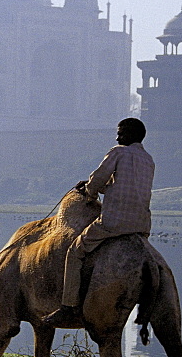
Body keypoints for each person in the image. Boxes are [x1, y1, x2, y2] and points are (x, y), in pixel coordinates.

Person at [43, 117, 154, 328]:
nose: (117, 137)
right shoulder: (148, 159)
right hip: (142, 225)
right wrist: (99, 187)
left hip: (114, 222)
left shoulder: (118, 152)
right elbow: (122, 186)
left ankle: (68, 307)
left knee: (75, 253)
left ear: (131, 135)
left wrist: (89, 191)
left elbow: (99, 179)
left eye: (121, 133)